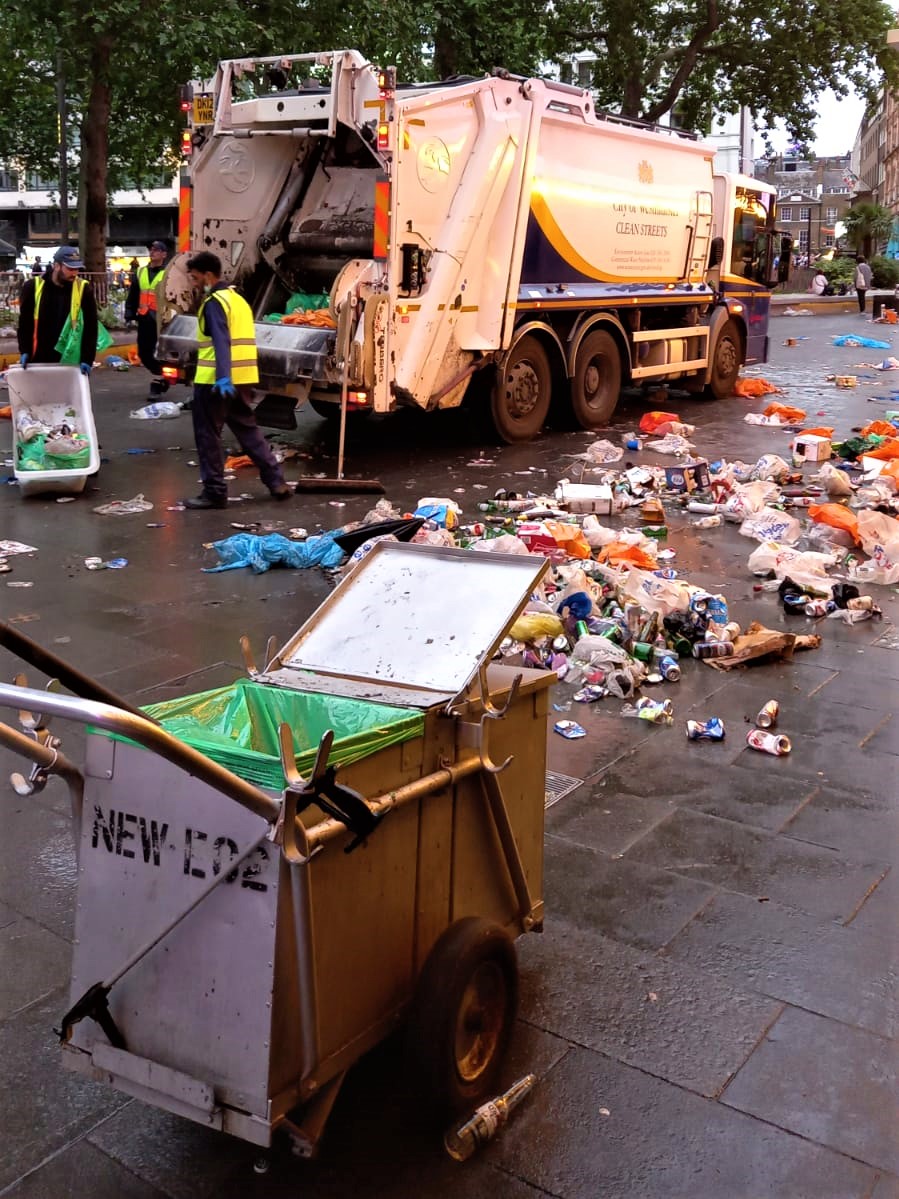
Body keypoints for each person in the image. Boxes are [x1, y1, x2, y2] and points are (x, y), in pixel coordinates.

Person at [181, 250, 291, 509]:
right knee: (248, 431)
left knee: (208, 436)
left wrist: (222, 377)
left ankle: (215, 492)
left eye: (196, 278)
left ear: (209, 276)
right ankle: (276, 481)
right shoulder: (238, 300)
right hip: (243, 380)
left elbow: (221, 340)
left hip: (215, 382)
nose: (194, 283)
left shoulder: (214, 302)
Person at [17, 245, 98, 374]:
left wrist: (87, 358)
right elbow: (25, 323)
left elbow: (91, 326)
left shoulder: (83, 289)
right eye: (70, 268)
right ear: (56, 266)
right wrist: (25, 350)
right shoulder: (33, 287)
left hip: (70, 357)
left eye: (77, 269)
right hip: (39, 356)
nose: (74, 273)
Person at [125, 239, 170, 398]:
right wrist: (129, 314)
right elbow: (133, 294)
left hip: (162, 321)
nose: (152, 252)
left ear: (164, 254)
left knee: (161, 353)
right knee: (144, 353)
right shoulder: (141, 272)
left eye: (157, 250)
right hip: (144, 319)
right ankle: (162, 376)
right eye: (151, 249)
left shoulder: (169, 273)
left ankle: (158, 382)